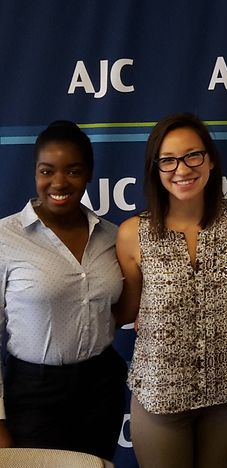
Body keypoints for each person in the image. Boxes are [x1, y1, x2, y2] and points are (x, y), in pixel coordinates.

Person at [113, 113, 227, 468]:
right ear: (155, 168)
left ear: (209, 160)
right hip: (160, 397)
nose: (182, 169)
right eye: (168, 160)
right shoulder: (134, 233)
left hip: (226, 394)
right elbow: (129, 311)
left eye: (193, 155)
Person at [0, 120, 126, 460]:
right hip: (32, 391)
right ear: (35, 173)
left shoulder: (112, 237)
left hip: (101, 385)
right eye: (47, 171)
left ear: (88, 175)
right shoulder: (5, 238)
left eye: (72, 170)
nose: (58, 182)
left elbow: (120, 307)